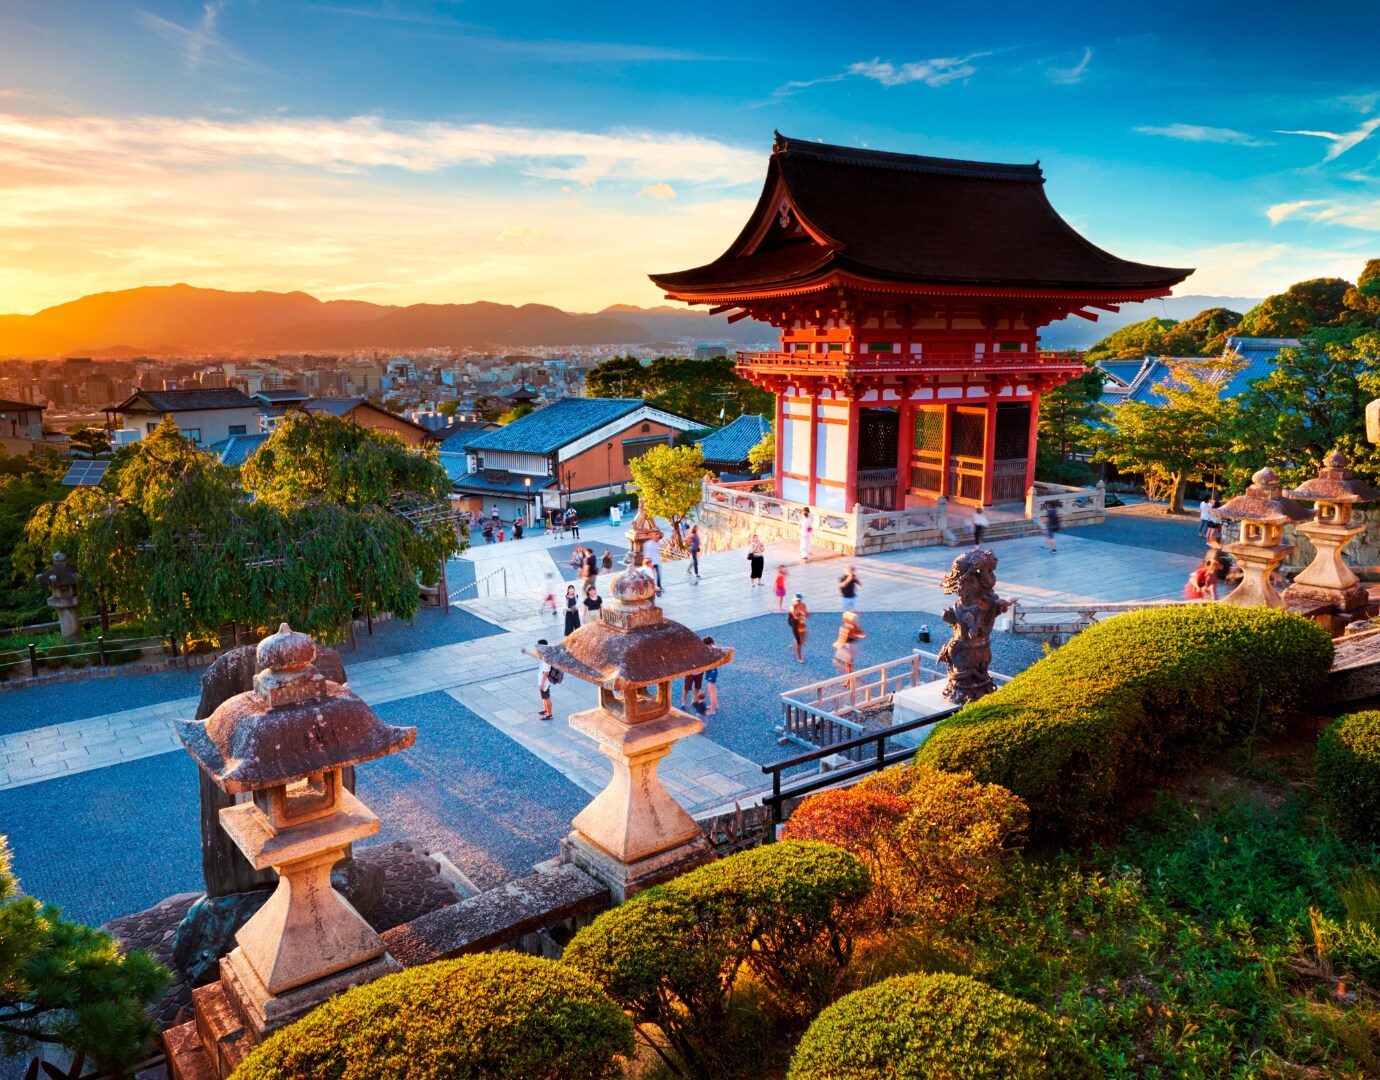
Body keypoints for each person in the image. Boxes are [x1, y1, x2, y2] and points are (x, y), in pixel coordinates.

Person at [832, 611, 867, 676]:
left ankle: (853, 676)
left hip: (849, 646)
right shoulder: (852, 626)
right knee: (847, 664)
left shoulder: (846, 627)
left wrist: (838, 644)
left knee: (838, 662)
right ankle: (849, 679)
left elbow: (843, 638)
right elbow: (863, 634)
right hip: (852, 645)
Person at [788, 593, 810, 663]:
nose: (799, 601)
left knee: (803, 640)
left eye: (800, 600)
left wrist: (807, 614)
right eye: (797, 600)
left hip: (801, 624)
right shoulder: (792, 607)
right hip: (794, 625)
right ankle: (800, 658)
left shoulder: (803, 605)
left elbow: (806, 614)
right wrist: (802, 613)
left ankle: (793, 645)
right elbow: (795, 616)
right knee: (799, 642)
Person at [536, 639, 554, 720]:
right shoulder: (544, 655)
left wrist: (542, 684)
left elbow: (546, 672)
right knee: (544, 697)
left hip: (545, 682)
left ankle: (549, 714)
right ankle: (546, 710)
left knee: (547, 697)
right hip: (543, 681)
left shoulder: (545, 659)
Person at [703, 635, 719, 714]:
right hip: (711, 670)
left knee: (711, 690)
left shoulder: (713, 649)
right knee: (712, 689)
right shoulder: (712, 647)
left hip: (712, 671)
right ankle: (715, 705)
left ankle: (712, 710)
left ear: (709, 644)